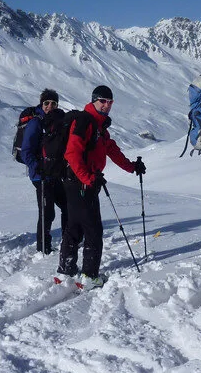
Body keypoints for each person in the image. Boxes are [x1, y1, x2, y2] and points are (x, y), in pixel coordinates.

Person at [56, 85, 146, 288]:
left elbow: (111, 150)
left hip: (79, 182)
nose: (106, 105)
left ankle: (66, 270)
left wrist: (132, 167)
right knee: (93, 230)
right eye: (102, 101)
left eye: (110, 102)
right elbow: (72, 153)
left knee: (74, 226)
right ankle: (89, 276)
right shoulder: (85, 122)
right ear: (94, 101)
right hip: (82, 182)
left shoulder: (98, 127)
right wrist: (88, 178)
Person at [21, 88, 69, 254]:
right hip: (40, 175)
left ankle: (68, 239)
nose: (50, 106)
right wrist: (37, 168)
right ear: (41, 104)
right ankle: (43, 247)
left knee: (66, 205)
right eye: (46, 103)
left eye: (53, 103)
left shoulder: (57, 122)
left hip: (54, 173)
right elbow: (26, 151)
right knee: (47, 212)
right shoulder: (36, 122)